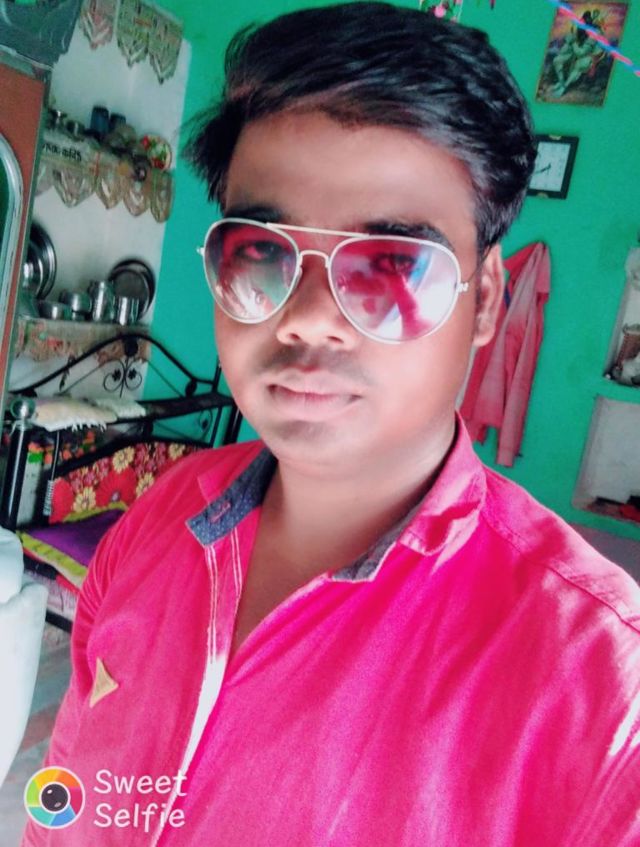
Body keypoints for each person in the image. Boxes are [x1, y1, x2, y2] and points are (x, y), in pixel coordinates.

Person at [23, 3, 640, 845]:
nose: (309, 317)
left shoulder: (604, 696)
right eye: (259, 252)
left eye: (394, 267)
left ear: (486, 301)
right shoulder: (161, 518)